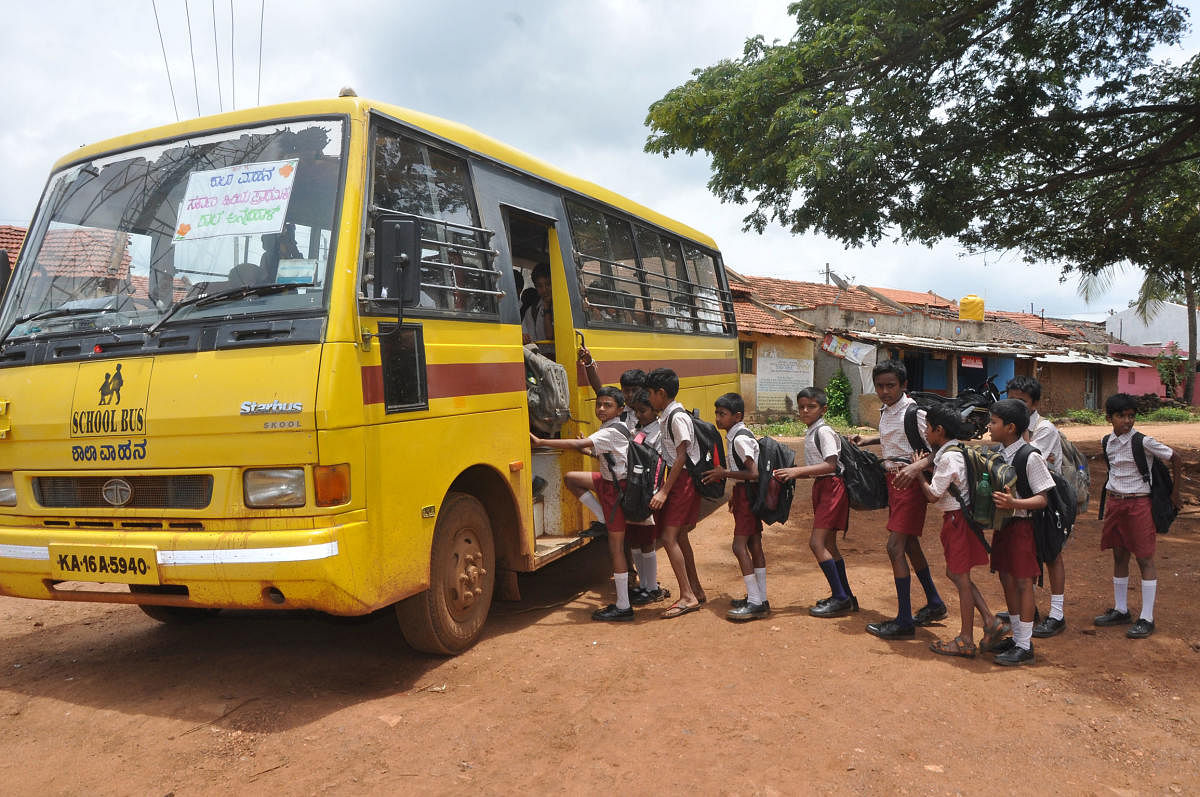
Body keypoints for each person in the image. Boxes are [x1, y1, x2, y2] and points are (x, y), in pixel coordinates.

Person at [852, 360, 947, 639]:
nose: (884, 391)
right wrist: (867, 441)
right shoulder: (887, 410)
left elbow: (943, 449)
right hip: (894, 482)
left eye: (890, 386)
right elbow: (897, 440)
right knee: (909, 545)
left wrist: (917, 467)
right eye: (880, 386)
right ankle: (934, 602)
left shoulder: (915, 413)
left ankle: (904, 620)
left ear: (903, 385)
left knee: (895, 547)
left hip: (910, 485)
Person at [530, 386, 634, 621]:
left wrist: (540, 441)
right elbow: (606, 455)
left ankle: (624, 606)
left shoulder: (610, 431)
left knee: (616, 548)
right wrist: (589, 452)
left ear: (620, 409)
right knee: (571, 479)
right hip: (608, 483)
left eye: (608, 405)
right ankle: (602, 519)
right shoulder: (613, 426)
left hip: (617, 490)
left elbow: (579, 445)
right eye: (599, 404)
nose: (601, 409)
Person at [919, 404, 1006, 658]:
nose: (925, 432)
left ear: (939, 430)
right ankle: (990, 621)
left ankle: (966, 639)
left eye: (928, 428)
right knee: (957, 575)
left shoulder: (947, 457)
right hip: (963, 519)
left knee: (961, 579)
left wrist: (918, 475)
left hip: (956, 520)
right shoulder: (958, 449)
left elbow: (934, 495)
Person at [1094, 393, 1182, 639]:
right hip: (1115, 503)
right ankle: (1121, 609)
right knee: (1119, 556)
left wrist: (1176, 493)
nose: (1127, 421)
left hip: (1139, 504)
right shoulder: (1107, 442)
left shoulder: (1143, 442)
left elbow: (1175, 457)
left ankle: (1147, 617)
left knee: (1144, 558)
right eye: (1121, 416)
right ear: (1109, 417)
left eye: (1131, 416)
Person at [774, 387, 855, 617]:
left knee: (816, 544)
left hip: (831, 487)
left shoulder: (823, 432)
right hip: (822, 487)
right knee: (829, 545)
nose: (805, 411)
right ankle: (846, 595)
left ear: (823, 409)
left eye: (811, 407)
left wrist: (796, 471)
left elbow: (830, 465)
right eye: (801, 407)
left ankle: (840, 598)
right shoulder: (812, 431)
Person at [987, 398, 1054, 666]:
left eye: (993, 422)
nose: (989, 427)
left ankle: (1025, 645)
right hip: (1004, 526)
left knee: (1025, 582)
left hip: (1023, 526)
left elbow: (1042, 498)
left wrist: (1014, 503)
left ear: (1011, 427)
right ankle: (1017, 637)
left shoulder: (1030, 455)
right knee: (1006, 577)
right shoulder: (999, 453)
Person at [1006, 375, 1067, 637]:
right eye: (1011, 399)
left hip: (1046, 501)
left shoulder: (1045, 429)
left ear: (1035, 403)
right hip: (1022, 503)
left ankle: (1057, 613)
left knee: (1051, 554)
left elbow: (1027, 457)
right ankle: (1029, 609)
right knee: (1027, 558)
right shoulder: (1009, 424)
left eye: (1022, 401)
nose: (1016, 405)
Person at [645, 367, 706, 618]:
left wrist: (664, 492)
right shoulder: (669, 415)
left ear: (661, 393)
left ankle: (687, 596)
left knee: (669, 537)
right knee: (679, 536)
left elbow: (681, 457)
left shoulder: (677, 417)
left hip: (682, 481)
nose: (649, 398)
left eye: (650, 393)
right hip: (680, 480)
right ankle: (695, 589)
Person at [703, 393, 769, 621]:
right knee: (754, 543)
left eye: (723, 414)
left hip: (748, 497)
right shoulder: (738, 434)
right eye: (717, 413)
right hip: (746, 494)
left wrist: (725, 473)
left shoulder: (739, 438)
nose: (718, 418)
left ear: (737, 416)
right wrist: (735, 490)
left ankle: (755, 601)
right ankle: (760, 597)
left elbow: (753, 473)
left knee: (739, 546)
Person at [627, 390, 669, 606]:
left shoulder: (659, 433)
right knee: (635, 538)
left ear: (655, 410)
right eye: (635, 411)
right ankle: (642, 585)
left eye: (642, 411)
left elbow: (659, 465)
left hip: (648, 492)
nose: (638, 415)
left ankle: (652, 587)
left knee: (648, 540)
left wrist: (655, 492)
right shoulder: (637, 429)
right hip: (635, 490)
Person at [521, 262, 553, 344]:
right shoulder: (532, 311)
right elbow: (548, 336)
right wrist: (546, 308)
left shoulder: (565, 306)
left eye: (548, 284)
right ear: (535, 287)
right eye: (540, 286)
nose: (544, 290)